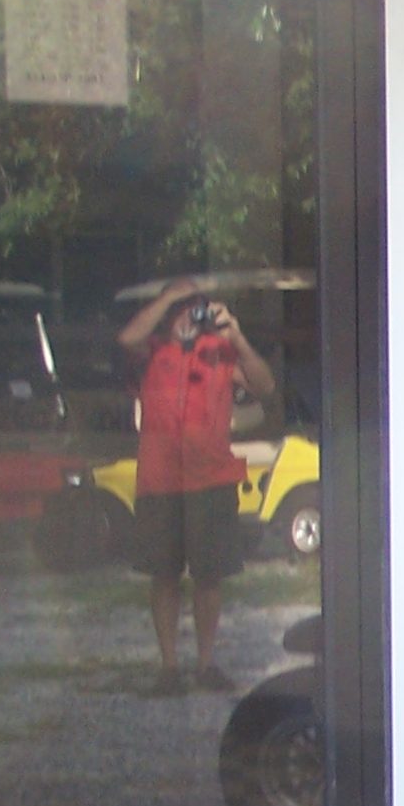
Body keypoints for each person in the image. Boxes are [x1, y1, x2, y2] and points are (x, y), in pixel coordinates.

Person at [117, 278, 275, 694]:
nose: (190, 315)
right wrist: (168, 297)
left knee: (209, 576)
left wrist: (237, 337)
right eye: (182, 308)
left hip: (210, 478)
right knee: (164, 575)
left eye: (197, 307)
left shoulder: (221, 353)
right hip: (161, 479)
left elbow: (265, 386)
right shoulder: (152, 353)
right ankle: (169, 667)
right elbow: (127, 337)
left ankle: (206, 664)